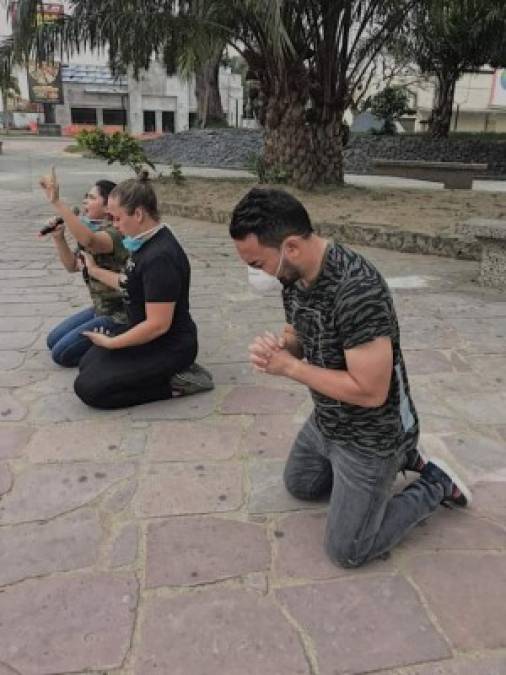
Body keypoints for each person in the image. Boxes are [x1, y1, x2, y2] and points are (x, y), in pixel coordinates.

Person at [229, 188, 471, 568]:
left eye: (258, 263)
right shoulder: (294, 278)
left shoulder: (358, 291)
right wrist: (280, 350)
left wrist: (291, 369)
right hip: (328, 419)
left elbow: (371, 392)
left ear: (290, 247)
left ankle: (434, 482)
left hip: (371, 433)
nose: (256, 274)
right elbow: (296, 335)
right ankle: (404, 460)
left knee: (349, 550)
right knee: (301, 486)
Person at [72, 172, 213, 409]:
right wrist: (93, 270)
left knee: (90, 389)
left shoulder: (160, 257)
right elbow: (129, 282)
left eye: (116, 219)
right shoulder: (142, 242)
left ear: (138, 214)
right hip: (146, 335)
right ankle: (155, 374)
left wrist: (112, 343)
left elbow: (158, 325)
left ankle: (178, 382)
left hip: (169, 345)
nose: (114, 225)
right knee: (87, 363)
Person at [40, 168, 129, 367]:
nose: (85, 202)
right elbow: (72, 265)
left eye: (91, 197)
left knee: (61, 355)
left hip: (121, 313)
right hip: (101, 308)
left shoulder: (115, 233)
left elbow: (90, 241)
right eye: (85, 197)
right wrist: (59, 237)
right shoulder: (91, 228)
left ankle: (125, 345)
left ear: (109, 207)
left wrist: (57, 202)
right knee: (53, 340)